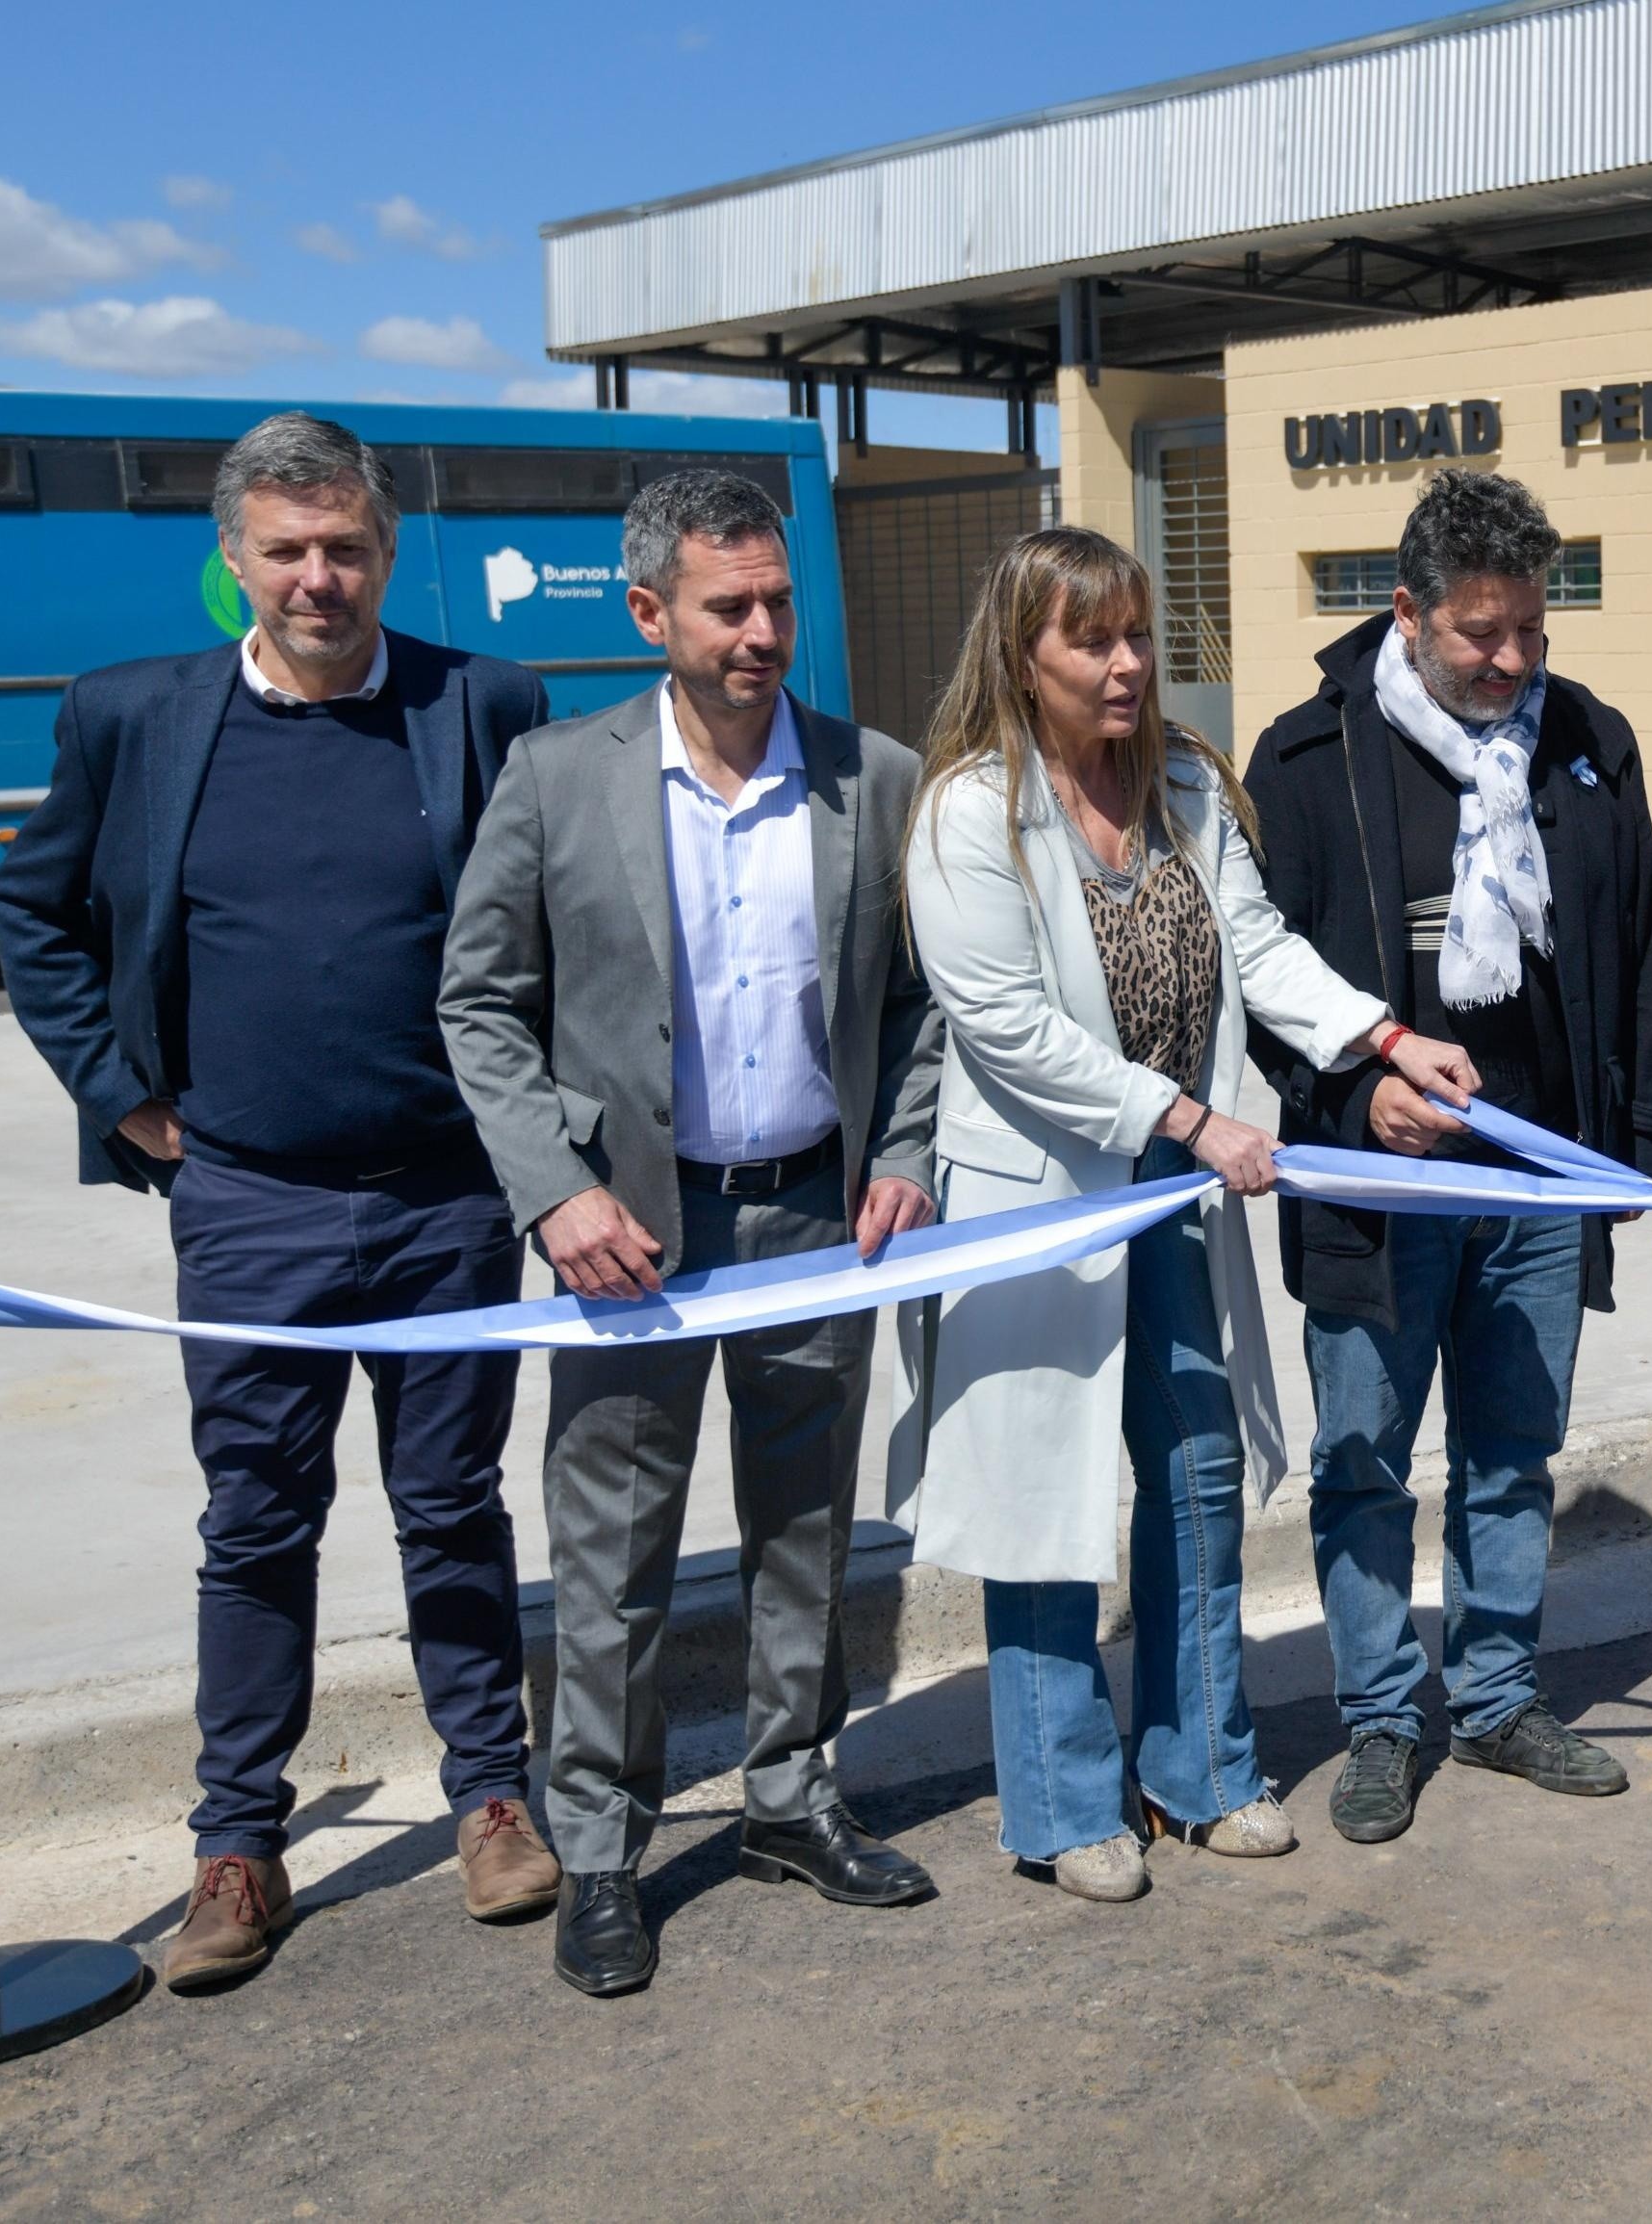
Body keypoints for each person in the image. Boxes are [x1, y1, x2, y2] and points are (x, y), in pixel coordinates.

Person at [0, 413, 559, 1992]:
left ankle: (492, 1798)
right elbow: (33, 910)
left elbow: (557, 921)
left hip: (449, 1195)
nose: (320, 578)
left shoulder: (482, 704)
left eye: (348, 548)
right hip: (244, 1199)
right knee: (256, 1520)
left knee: (453, 1507)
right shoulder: (133, 719)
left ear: (385, 551)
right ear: (233, 558)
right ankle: (238, 1846)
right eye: (288, 550)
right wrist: (122, 1094)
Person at [902, 527, 1481, 1901]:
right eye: (1087, 641)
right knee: (1042, 1508)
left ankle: (1201, 1769)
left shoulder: (1179, 784)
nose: (1124, 664)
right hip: (1042, 1201)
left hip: (1172, 1194)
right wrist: (1189, 1120)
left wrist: (1381, 1038)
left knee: (1200, 1474)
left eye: (1138, 635)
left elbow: (1260, 946)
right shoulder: (967, 813)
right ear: (1020, 656)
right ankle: (1055, 1804)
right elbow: (1006, 1028)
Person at [439, 470, 946, 1996]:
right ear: (651, 612)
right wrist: (555, 1188)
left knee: (806, 1529)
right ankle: (599, 1846)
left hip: (810, 1212)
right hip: (631, 1239)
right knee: (616, 1551)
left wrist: (906, 1150)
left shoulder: (879, 777)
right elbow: (479, 1004)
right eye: (728, 606)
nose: (762, 631)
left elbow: (920, 1004)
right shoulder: (555, 777)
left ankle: (794, 1799)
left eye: (779, 600)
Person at [1245, 469, 1652, 1847]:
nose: (1507, 662)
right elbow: (1261, 975)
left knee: (1511, 1449)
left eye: (1527, 634)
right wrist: (1352, 1092)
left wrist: (1641, 1153)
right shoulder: (1307, 758)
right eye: (1479, 635)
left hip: (1539, 1183)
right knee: (1364, 1454)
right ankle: (1381, 1713)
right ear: (1408, 612)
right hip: (1375, 1186)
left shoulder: (1587, 742)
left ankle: (1495, 1698)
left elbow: (1633, 956)